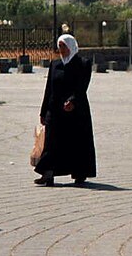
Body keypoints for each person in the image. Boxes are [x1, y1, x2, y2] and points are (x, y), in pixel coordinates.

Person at [34, 34, 96, 186]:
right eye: (59, 46)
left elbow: (82, 86)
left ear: (71, 47)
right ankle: (48, 173)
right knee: (51, 142)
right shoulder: (55, 65)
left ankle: (80, 173)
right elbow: (49, 89)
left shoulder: (83, 64)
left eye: (64, 46)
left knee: (77, 142)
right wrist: (43, 112)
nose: (61, 50)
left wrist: (73, 101)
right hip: (55, 110)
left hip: (75, 111)